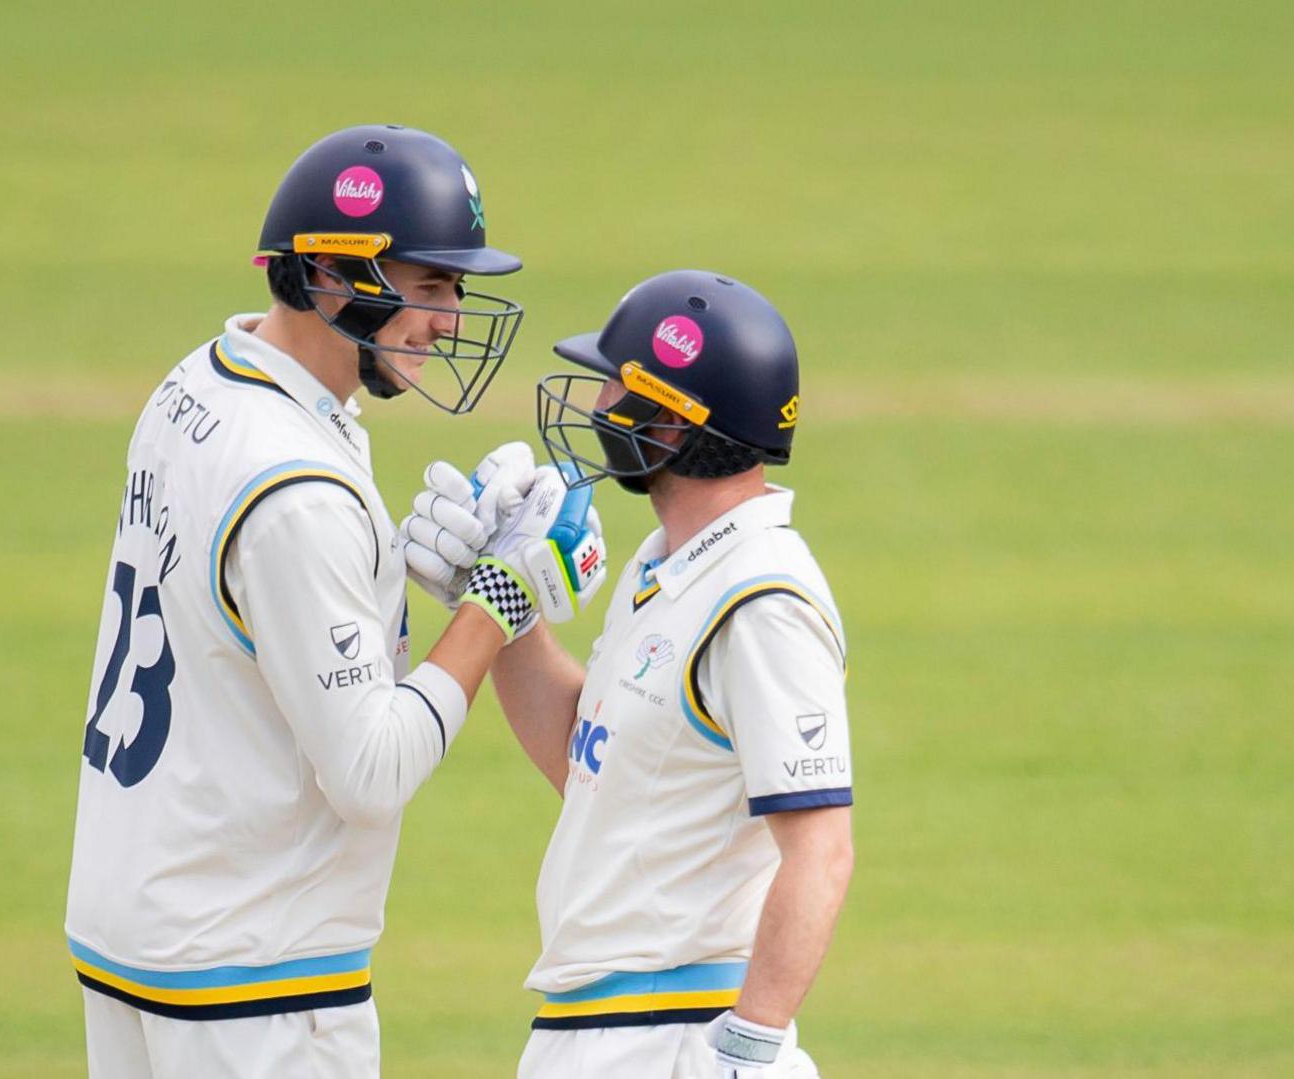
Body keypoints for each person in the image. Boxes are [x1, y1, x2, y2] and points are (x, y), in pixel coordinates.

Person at [63, 124, 591, 1078]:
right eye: (429, 287)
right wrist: (496, 605)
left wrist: (393, 569)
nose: (449, 319)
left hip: (135, 935)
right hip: (253, 981)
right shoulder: (295, 487)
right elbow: (371, 771)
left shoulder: (197, 386)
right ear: (336, 278)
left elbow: (251, 624)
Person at [405, 270, 854, 1077]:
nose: (596, 403)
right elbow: (591, 760)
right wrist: (503, 603)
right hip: (603, 1029)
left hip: (674, 1035)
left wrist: (751, 1044)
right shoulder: (668, 565)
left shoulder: (762, 601)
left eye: (615, 385)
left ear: (675, 423)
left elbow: (820, 849)